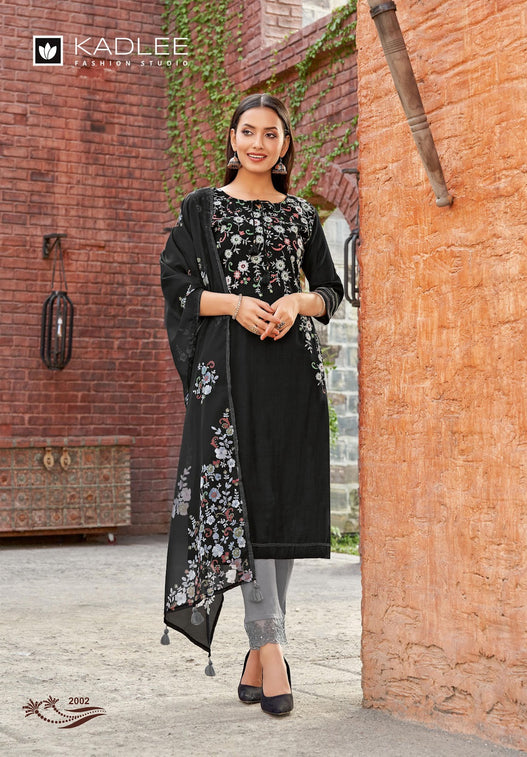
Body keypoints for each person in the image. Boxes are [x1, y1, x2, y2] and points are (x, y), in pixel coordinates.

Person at [160, 93, 343, 716]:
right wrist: (236, 304)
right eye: (248, 131)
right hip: (229, 377)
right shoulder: (203, 208)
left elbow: (330, 290)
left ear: (285, 145)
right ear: (232, 139)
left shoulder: (301, 215)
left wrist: (295, 303)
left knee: (282, 507)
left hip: (292, 374)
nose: (258, 143)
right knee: (245, 506)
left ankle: (259, 653)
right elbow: (177, 286)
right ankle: (273, 648)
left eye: (271, 134)